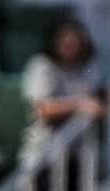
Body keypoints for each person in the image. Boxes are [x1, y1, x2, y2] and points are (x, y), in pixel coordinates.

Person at [22, 14, 105, 160]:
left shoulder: (88, 66)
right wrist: (80, 105)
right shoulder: (41, 65)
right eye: (63, 40)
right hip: (44, 154)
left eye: (74, 41)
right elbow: (42, 108)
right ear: (53, 41)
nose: (69, 45)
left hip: (81, 153)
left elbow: (100, 99)